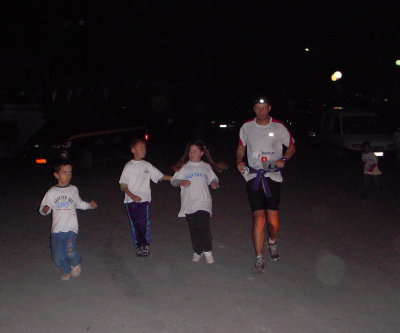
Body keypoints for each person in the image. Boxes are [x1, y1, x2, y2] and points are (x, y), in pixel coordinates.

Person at [236, 96, 296, 273]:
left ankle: (272, 241)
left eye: (263, 108)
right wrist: (239, 161)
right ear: (253, 109)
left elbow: (291, 146)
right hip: (254, 176)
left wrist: (284, 158)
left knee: (273, 222)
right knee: (259, 218)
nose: (260, 111)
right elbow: (241, 146)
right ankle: (259, 257)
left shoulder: (278, 126)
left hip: (272, 176)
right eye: (257, 108)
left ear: (269, 108)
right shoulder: (247, 127)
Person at [39, 161, 97, 280]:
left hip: (71, 227)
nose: (68, 176)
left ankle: (75, 264)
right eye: (64, 173)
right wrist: (44, 210)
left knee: (70, 250)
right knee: (58, 255)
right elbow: (44, 208)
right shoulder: (51, 192)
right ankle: (65, 269)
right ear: (56, 175)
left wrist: (89, 205)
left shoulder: (73, 189)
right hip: (57, 229)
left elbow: (79, 203)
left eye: (70, 173)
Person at [119, 138, 171, 257]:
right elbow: (123, 185)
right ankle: (139, 245)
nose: (144, 150)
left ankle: (145, 244)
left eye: (145, 148)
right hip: (130, 200)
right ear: (133, 150)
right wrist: (133, 196)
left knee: (144, 223)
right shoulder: (128, 166)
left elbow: (160, 176)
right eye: (141, 148)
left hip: (144, 200)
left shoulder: (147, 165)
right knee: (135, 224)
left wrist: (175, 178)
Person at [170, 140, 220, 264]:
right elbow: (173, 181)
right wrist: (181, 182)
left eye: (195, 151)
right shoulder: (184, 167)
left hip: (204, 201)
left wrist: (214, 183)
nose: (192, 153)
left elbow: (213, 178)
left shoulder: (206, 166)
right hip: (189, 202)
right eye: (190, 151)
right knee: (194, 228)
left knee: (204, 226)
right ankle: (198, 251)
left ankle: (208, 250)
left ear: (202, 153)